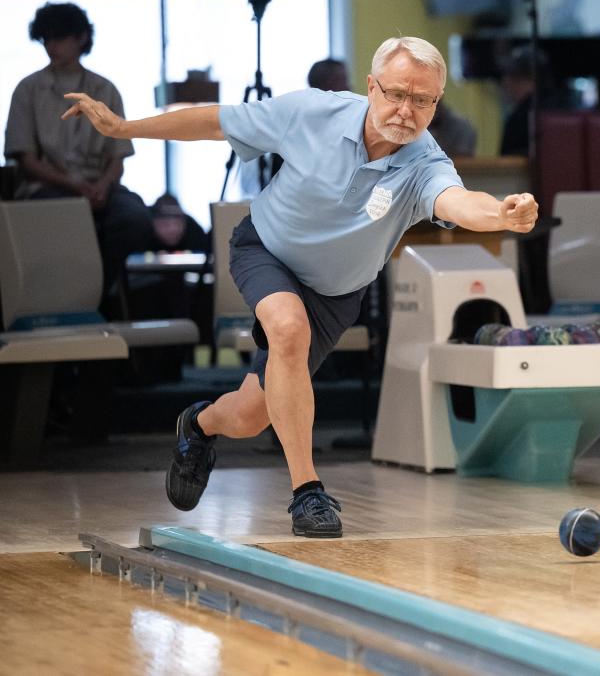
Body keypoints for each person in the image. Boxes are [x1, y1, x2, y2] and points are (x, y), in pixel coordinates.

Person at [64, 36, 539, 538]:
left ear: (436, 103)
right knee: (289, 330)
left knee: (251, 417)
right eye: (397, 93)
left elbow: (457, 202)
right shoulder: (312, 112)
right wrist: (123, 127)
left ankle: (198, 425)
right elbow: (215, 120)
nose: (406, 110)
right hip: (266, 251)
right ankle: (307, 492)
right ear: (372, 86)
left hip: (334, 294)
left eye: (422, 100)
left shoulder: (425, 163)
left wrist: (503, 214)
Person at [4, 2, 153, 305]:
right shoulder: (28, 89)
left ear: (81, 38)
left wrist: (102, 186)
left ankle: (100, 290)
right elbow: (26, 159)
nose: (51, 46)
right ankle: (74, 297)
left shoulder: (104, 89)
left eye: (58, 38)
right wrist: (74, 187)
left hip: (99, 187)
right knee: (58, 217)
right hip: (46, 190)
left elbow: (118, 156)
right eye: (46, 39)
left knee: (135, 219)